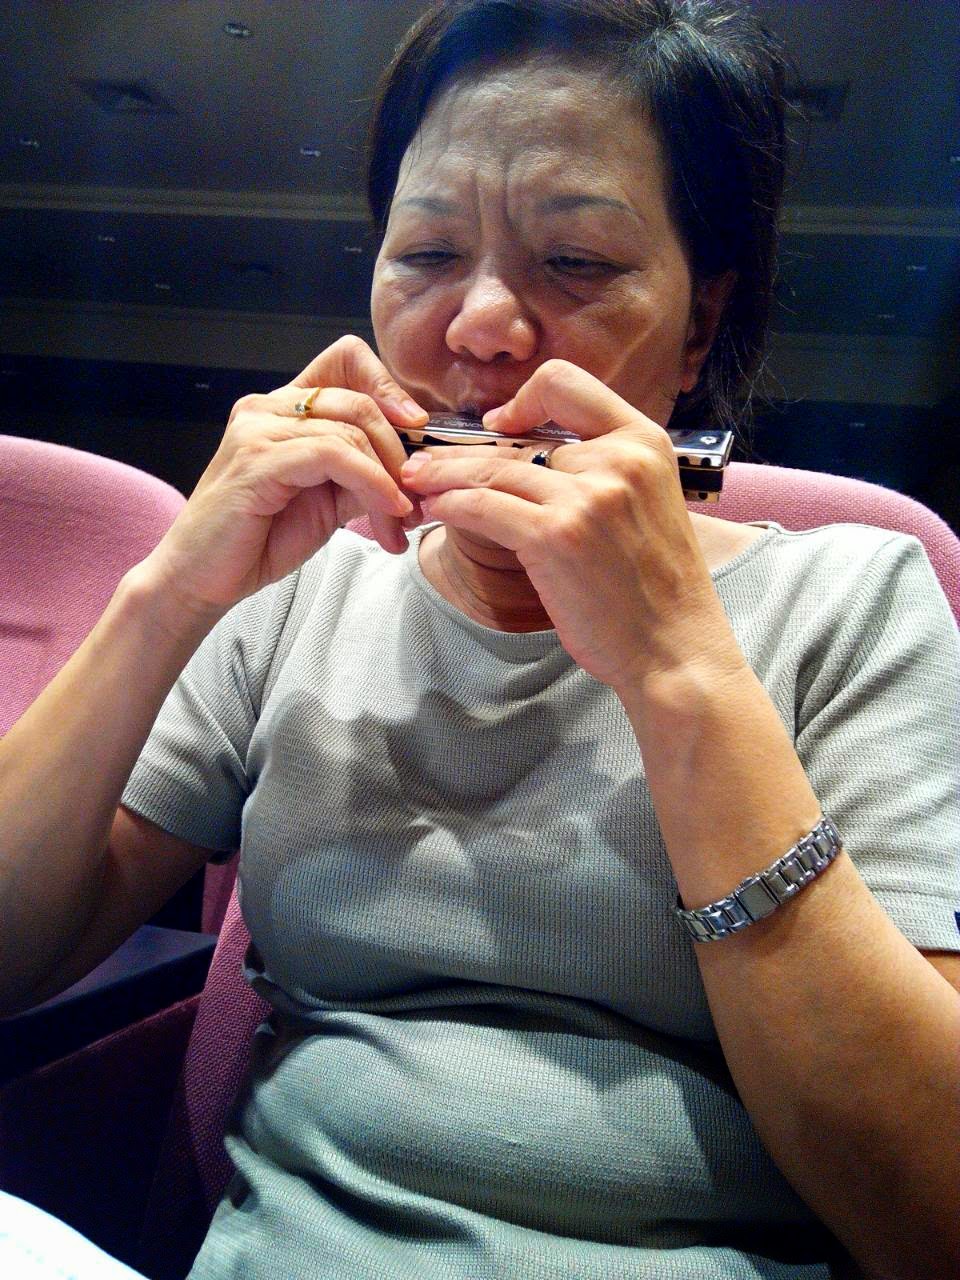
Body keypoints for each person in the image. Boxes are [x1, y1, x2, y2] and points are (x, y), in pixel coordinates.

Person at [1, 1, 958, 1276]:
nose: (482, 325)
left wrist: (678, 669)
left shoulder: (853, 597)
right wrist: (170, 587)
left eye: (578, 262)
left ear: (700, 322)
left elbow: (931, 1212)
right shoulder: (302, 586)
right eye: (428, 252)